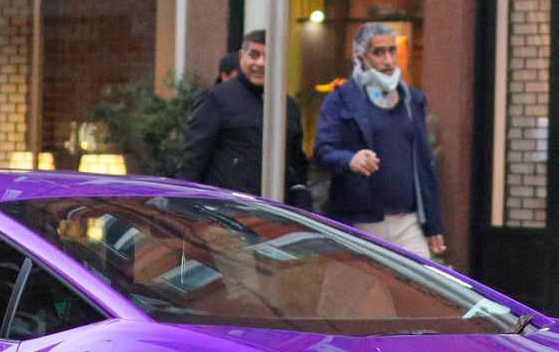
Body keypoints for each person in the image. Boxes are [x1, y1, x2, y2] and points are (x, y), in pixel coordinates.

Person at [313, 22, 446, 258]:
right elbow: (323, 150)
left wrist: (433, 223)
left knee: (418, 290)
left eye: (391, 50)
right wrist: (350, 159)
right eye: (378, 52)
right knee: (348, 293)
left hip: (406, 221)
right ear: (361, 58)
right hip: (360, 222)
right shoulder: (341, 99)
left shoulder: (411, 99)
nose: (388, 60)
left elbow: (424, 163)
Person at [177, 30, 307, 200]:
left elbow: (296, 164)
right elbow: (193, 161)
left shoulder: (288, 107)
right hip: (225, 211)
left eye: (269, 56)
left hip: (275, 212)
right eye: (254, 55)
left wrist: (302, 200)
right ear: (241, 56)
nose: (261, 63)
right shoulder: (216, 99)